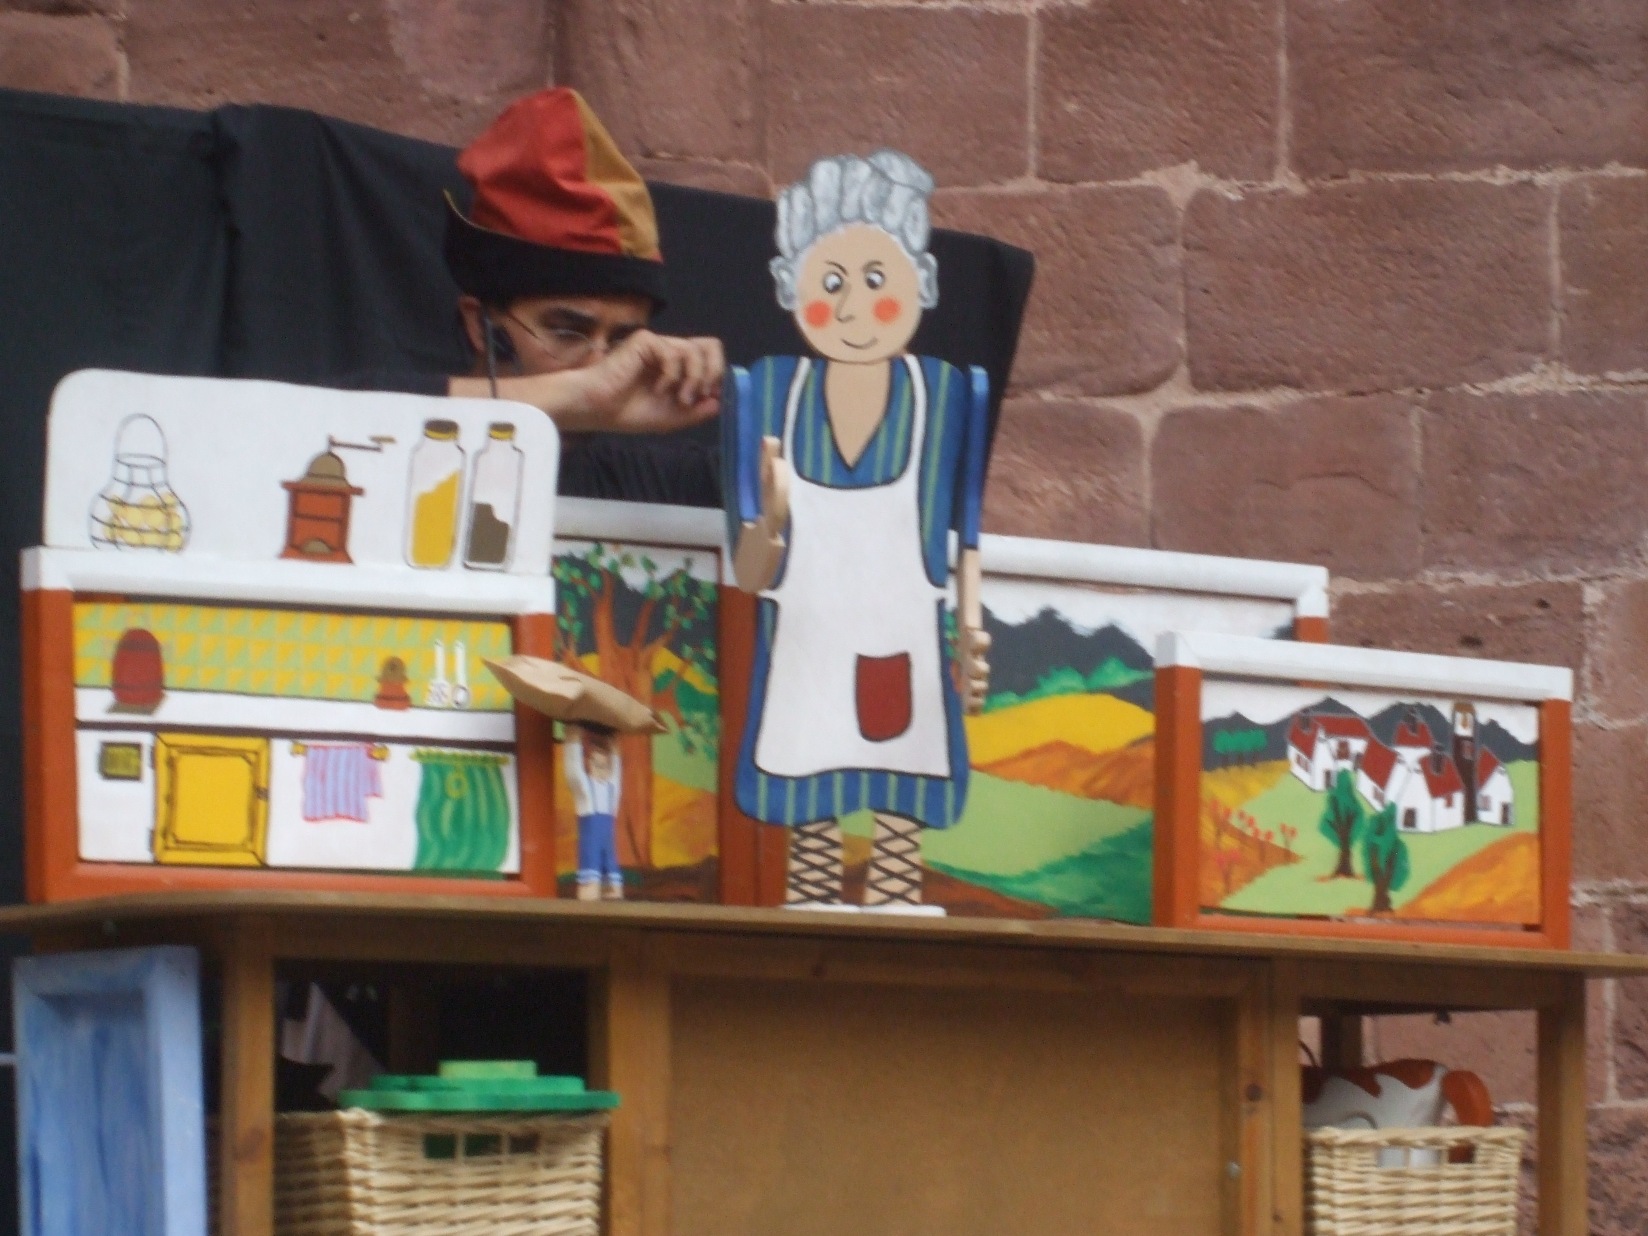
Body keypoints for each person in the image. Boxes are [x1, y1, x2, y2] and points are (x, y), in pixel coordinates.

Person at [724, 151, 992, 912]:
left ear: (919, 283)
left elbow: (966, 536)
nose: (852, 306)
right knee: (809, 799)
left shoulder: (943, 398)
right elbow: (748, 574)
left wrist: (971, 630)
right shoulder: (769, 393)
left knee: (901, 783)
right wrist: (771, 515)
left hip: (900, 641)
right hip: (805, 651)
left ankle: (896, 894)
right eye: (832, 283)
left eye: (876, 280)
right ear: (794, 288)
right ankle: (812, 895)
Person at [347, 87, 724, 498]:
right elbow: (322, 415)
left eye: (621, 341)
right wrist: (582, 397)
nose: (599, 365)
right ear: (481, 326)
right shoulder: (382, 448)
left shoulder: (647, 482)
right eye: (567, 332)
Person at [562, 723, 624, 901]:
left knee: (611, 869)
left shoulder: (612, 788)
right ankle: (590, 893)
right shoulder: (586, 788)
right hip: (591, 837)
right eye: (597, 765)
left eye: (605, 766)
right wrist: (573, 741)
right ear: (589, 764)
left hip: (608, 839)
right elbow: (574, 772)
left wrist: (615, 749)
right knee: (590, 870)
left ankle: (612, 891)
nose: (601, 770)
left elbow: (617, 775)